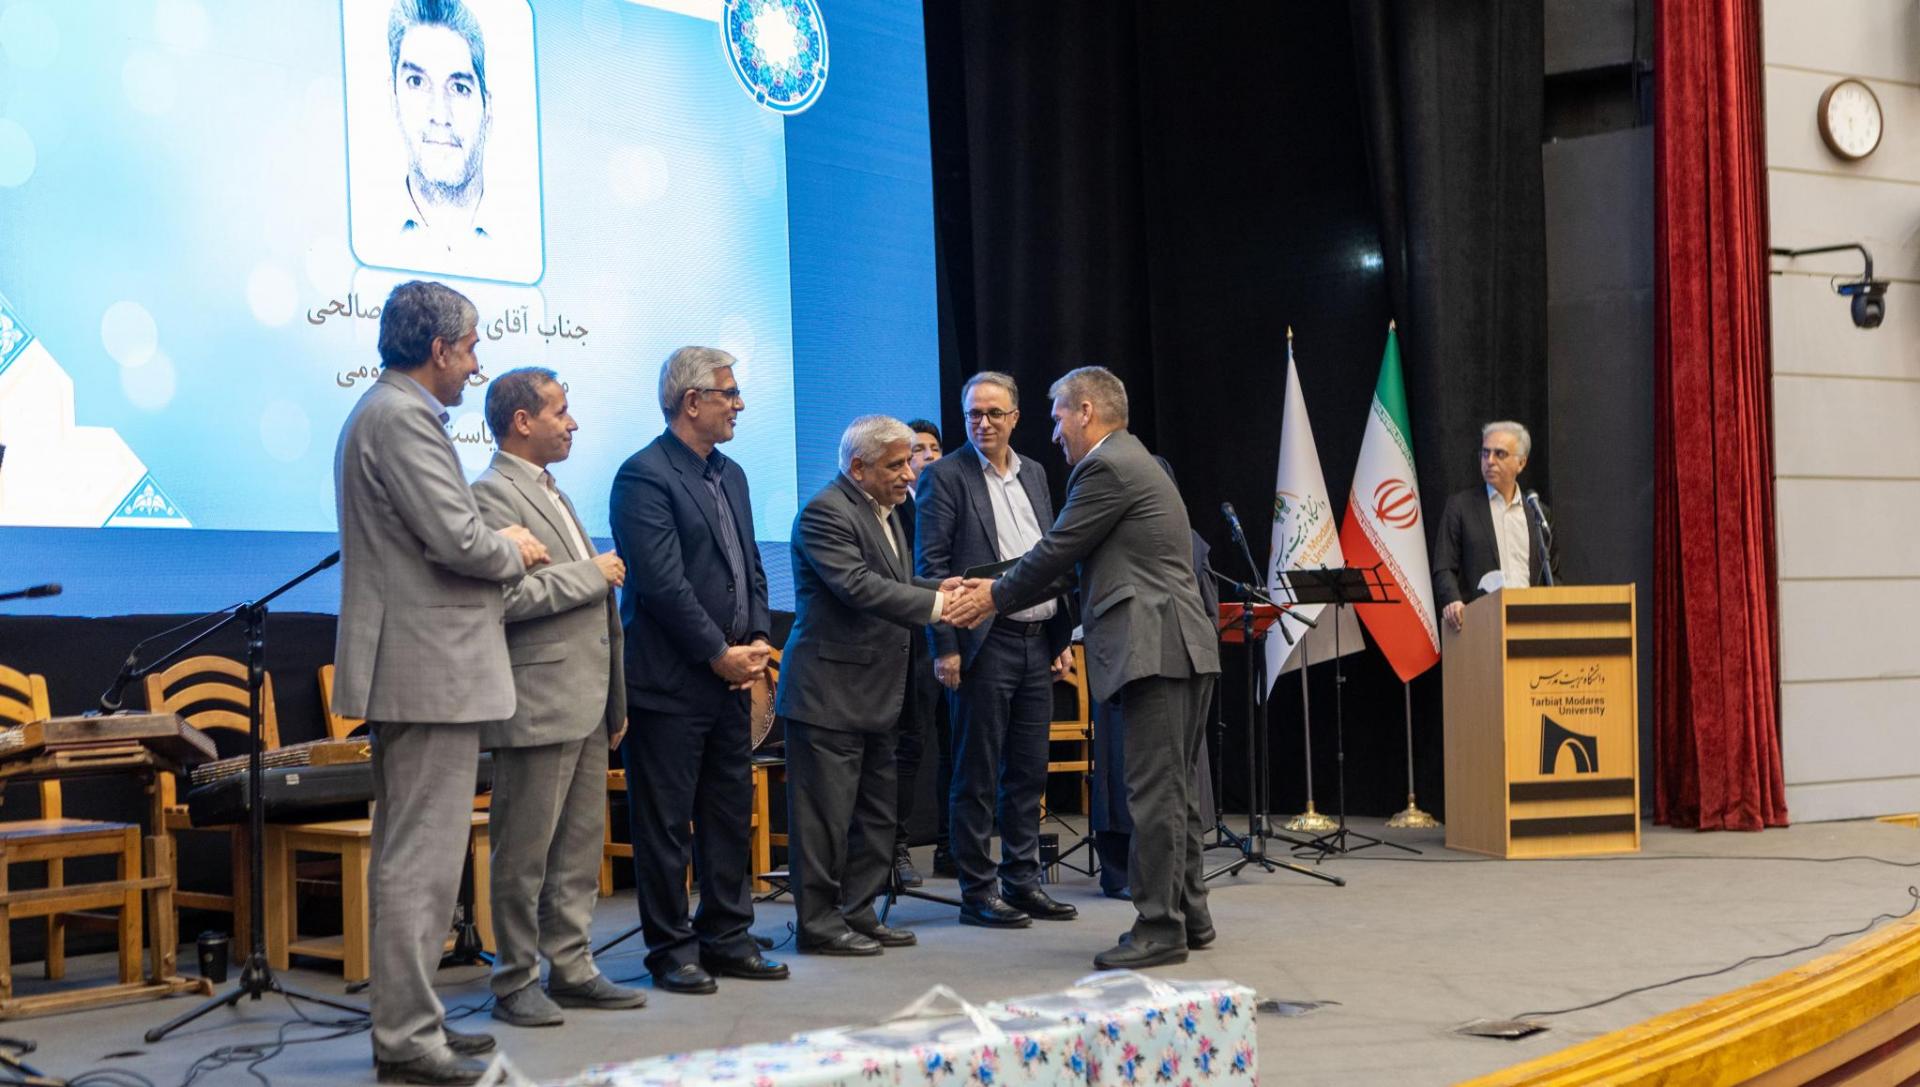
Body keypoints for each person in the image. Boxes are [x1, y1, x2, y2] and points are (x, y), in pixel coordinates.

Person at [333, 280, 549, 1085]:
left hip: (423, 667)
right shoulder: (402, 417)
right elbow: (457, 540)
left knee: (413, 854)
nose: (476, 363)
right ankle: (407, 1036)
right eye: (470, 347)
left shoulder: (388, 411)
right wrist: (513, 547)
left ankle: (412, 1021)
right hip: (428, 669)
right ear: (438, 349)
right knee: (420, 859)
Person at [950, 366, 1220, 970]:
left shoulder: (1106, 467)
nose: (1054, 433)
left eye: (1058, 418)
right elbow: (1070, 563)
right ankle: (1190, 914)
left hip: (1154, 648)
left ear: (1087, 411)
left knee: (1153, 795)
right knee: (1175, 792)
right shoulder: (1135, 460)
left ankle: (1159, 928)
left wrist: (990, 598)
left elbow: (1056, 552)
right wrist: (991, 587)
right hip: (1179, 645)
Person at [609, 347, 787, 995]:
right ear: (692, 402)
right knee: (664, 824)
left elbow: (751, 568)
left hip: (733, 677)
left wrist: (759, 638)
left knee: (728, 812)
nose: (739, 404)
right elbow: (662, 584)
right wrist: (718, 651)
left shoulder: (731, 474)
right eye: (728, 393)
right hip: (669, 682)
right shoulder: (643, 476)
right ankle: (671, 949)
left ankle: (727, 936)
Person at [472, 368, 646, 1028]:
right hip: (538, 701)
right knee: (524, 855)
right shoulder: (490, 494)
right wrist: (590, 573)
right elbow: (506, 598)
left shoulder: (557, 493)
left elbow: (599, 612)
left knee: (577, 849)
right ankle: (515, 979)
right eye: (561, 411)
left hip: (588, 699)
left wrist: (615, 700)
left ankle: (572, 968)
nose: (573, 423)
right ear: (522, 421)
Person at [777, 416, 979, 955]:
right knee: (824, 821)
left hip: (876, 693)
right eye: (896, 465)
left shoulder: (884, 511)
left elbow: (892, 582)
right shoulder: (825, 511)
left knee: (875, 815)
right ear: (858, 467)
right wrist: (940, 605)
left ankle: (859, 913)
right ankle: (819, 925)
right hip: (828, 695)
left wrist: (938, 585)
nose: (910, 474)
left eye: (909, 462)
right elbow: (858, 586)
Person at [914, 374, 1077, 930]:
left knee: (1028, 772)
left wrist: (1059, 638)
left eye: (993, 413)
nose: (982, 423)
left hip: (1037, 642)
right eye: (973, 414)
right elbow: (931, 569)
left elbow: (1051, 557)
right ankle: (978, 892)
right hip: (982, 644)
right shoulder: (945, 476)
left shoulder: (1035, 473)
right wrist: (945, 647)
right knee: (977, 775)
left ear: (1014, 418)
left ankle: (1023, 882)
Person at [1089, 455, 1220, 900]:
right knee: (1149, 785)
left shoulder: (1183, 541)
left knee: (1164, 789)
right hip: (1143, 666)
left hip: (1160, 664)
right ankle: (1170, 898)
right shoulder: (1126, 534)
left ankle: (1166, 906)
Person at [892, 417, 950, 885]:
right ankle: (896, 849)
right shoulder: (894, 508)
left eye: (934, 448)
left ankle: (953, 845)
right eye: (918, 449)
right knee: (908, 749)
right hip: (912, 644)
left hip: (957, 637)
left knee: (958, 747)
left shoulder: (951, 500)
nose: (928, 456)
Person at [389, 0, 493, 252]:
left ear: (487, 109)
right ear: (394, 101)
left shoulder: (528, 238)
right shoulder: (367, 235)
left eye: (459, 88)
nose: (439, 114)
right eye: (417, 82)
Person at [1433, 420, 1551, 633]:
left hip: (1531, 625)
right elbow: (1444, 567)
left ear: (1521, 463)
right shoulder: (1461, 507)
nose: (1489, 461)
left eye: (1500, 454)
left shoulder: (1537, 513)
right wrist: (1452, 601)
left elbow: (1552, 573)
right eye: (1485, 453)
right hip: (1481, 626)